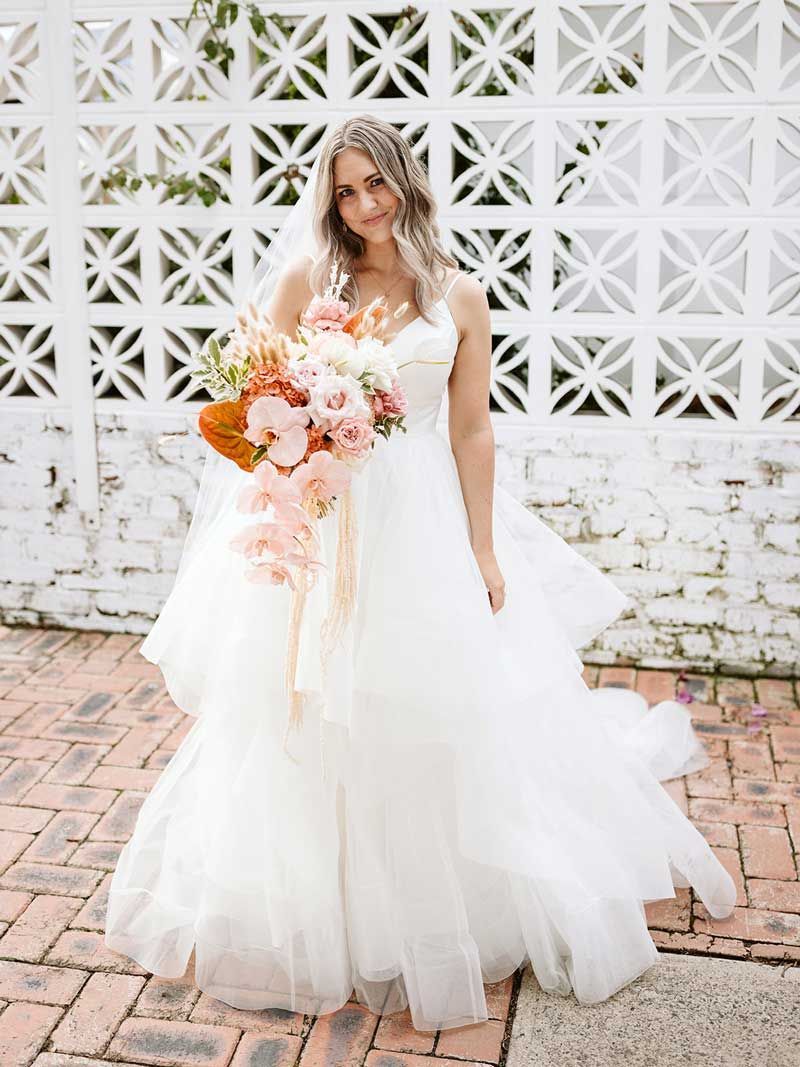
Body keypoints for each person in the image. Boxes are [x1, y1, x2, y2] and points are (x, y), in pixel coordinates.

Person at [103, 114, 736, 1033]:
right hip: (326, 525)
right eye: (345, 191)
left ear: (406, 179)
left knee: (427, 704)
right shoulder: (305, 284)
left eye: (376, 183)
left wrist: (482, 549)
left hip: (424, 527)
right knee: (309, 712)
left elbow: (471, 429)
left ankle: (436, 901)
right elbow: (251, 410)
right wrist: (294, 457)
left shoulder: (458, 297)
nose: (363, 205)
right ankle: (329, 904)